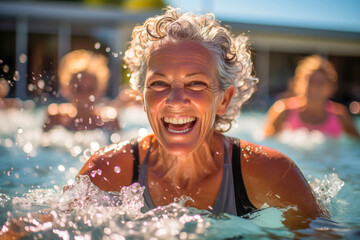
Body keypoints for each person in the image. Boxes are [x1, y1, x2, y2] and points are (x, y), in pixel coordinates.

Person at [76, 8, 328, 229]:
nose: (175, 100)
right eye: (159, 83)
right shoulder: (108, 171)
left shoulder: (273, 174)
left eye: (196, 83)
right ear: (143, 99)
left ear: (224, 99)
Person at [264, 55, 360, 139]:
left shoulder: (341, 117)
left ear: (331, 88)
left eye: (320, 83)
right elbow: (266, 144)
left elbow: (356, 145)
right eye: (311, 81)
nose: (315, 87)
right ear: (299, 84)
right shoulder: (283, 112)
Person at [43, 49, 120, 132]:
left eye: (90, 89)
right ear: (66, 88)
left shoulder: (110, 120)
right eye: (78, 89)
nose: (84, 95)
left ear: (100, 90)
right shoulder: (55, 117)